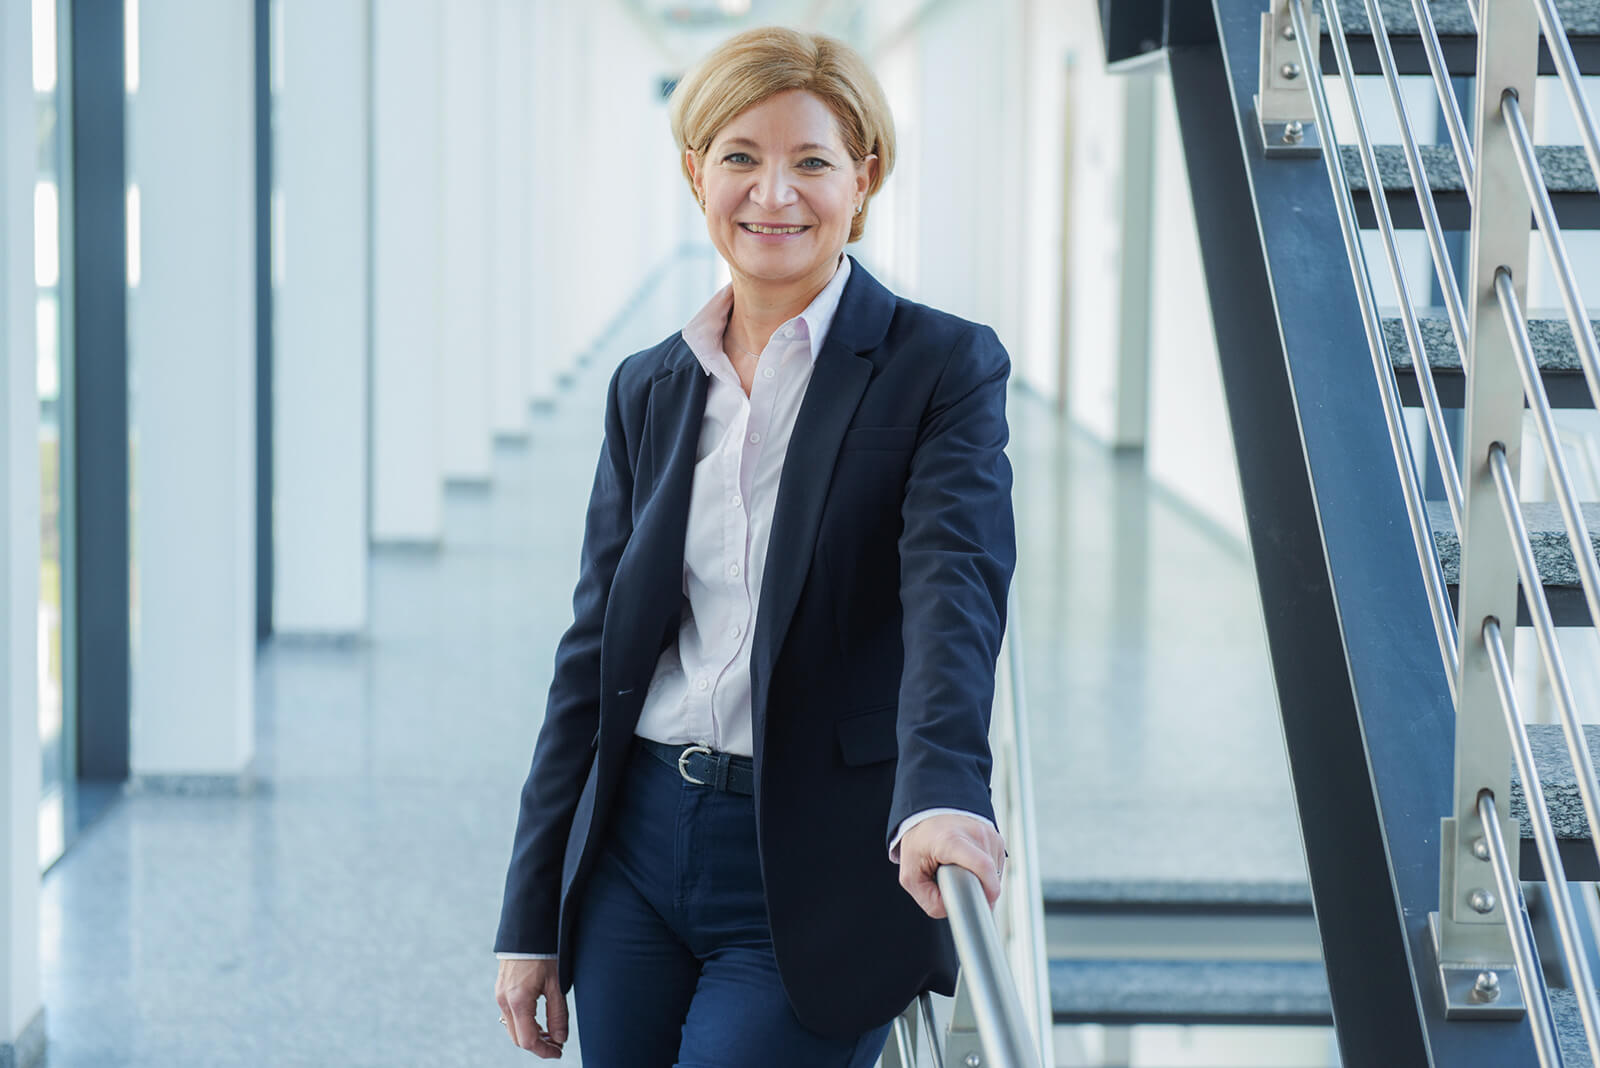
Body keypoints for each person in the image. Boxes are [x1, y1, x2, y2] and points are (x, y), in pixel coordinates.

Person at [493, 25, 1016, 1067]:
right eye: (740, 157)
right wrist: (530, 909)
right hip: (635, 857)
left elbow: (952, 589)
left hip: (819, 866)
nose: (773, 194)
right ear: (696, 174)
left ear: (862, 181)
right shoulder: (649, 383)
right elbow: (594, 653)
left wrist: (947, 789)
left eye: (811, 162)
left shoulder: (938, 367)